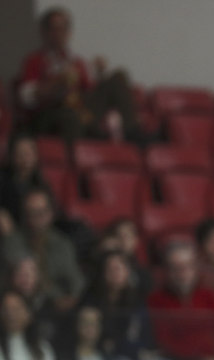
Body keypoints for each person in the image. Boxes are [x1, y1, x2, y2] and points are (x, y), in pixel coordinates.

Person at [17, 7, 141, 143]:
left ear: (69, 33)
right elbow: (26, 97)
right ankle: (82, 148)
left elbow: (89, 92)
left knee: (118, 77)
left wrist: (100, 74)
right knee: (69, 115)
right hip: (52, 113)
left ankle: (133, 135)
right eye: (55, 29)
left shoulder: (77, 62)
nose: (59, 34)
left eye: (64, 29)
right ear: (45, 32)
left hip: (80, 109)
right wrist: (57, 84)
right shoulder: (35, 60)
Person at [2, 187, 84, 313]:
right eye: (30, 213)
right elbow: (26, 280)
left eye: (40, 213)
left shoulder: (62, 244)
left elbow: (75, 280)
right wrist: (55, 297)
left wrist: (73, 298)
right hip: (23, 305)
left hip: (57, 308)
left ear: (50, 214)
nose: (35, 219)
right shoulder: (13, 241)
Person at [147, 242, 214, 360]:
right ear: (167, 271)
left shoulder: (211, 297)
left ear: (195, 268)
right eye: (176, 267)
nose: (182, 273)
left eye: (188, 266)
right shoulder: (155, 301)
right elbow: (160, 340)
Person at [81, 251, 155, 360]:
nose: (114, 273)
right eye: (110, 269)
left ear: (127, 271)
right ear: (103, 273)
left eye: (118, 269)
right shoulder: (92, 298)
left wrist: (116, 345)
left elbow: (142, 337)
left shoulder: (137, 300)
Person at [0, 134, 52, 233]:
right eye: (21, 152)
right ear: (12, 155)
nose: (25, 157)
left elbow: (53, 211)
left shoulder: (40, 182)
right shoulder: (2, 178)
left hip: (35, 232)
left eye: (29, 152)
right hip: (9, 233)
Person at [0, 291, 56, 360]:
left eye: (16, 309)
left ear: (29, 313)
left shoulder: (42, 347)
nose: (11, 315)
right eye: (6, 309)